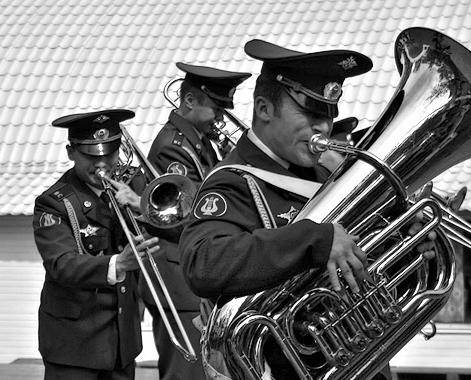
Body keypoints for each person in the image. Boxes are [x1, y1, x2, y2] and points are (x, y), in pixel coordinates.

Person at [178, 40, 436, 380]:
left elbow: (367, 280)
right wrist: (313, 240)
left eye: (328, 116)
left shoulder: (328, 174)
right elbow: (203, 263)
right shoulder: (233, 182)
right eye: (311, 114)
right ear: (264, 109)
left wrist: (407, 247)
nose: (324, 128)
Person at [139, 63, 251, 380]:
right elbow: (186, 216)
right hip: (180, 283)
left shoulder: (198, 142)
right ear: (189, 102)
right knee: (186, 374)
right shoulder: (172, 149)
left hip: (191, 279)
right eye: (216, 107)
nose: (221, 116)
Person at [32, 109, 161, 380]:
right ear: (71, 152)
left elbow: (179, 232)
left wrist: (142, 207)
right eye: (92, 156)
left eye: (109, 155)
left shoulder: (129, 188)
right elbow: (62, 265)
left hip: (122, 345)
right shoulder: (54, 203)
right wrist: (118, 263)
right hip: (74, 348)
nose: (102, 165)